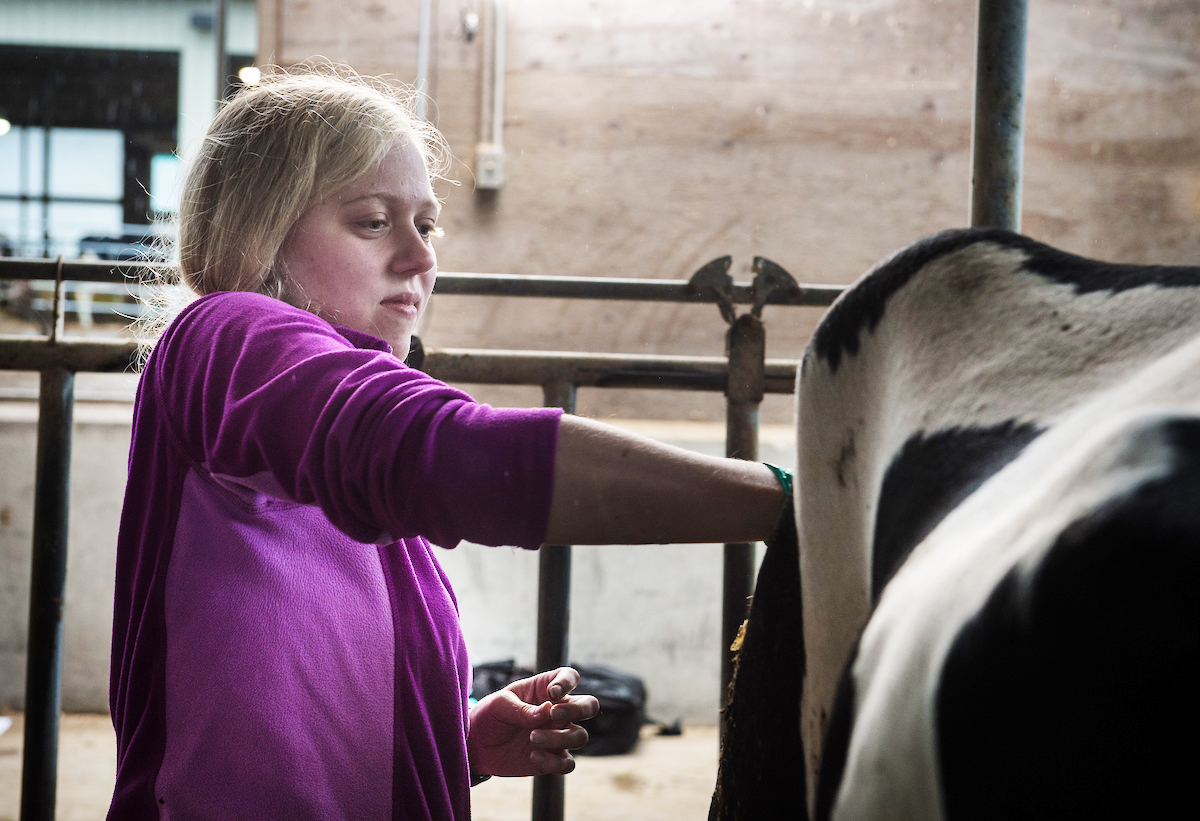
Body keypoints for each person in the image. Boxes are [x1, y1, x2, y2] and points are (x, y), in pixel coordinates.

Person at [109, 62, 788, 820]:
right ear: (258, 229)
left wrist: (452, 742)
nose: (421, 257)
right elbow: (440, 452)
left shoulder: (341, 423)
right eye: (373, 221)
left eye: (425, 225)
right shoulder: (225, 335)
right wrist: (783, 499)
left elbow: (292, 697)